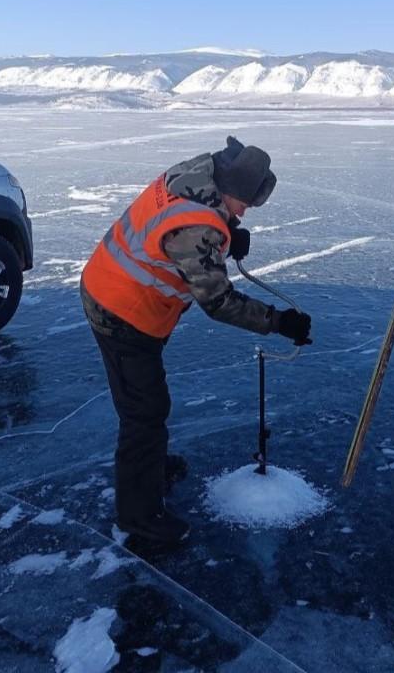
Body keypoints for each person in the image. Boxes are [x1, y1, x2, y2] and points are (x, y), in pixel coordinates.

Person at [80, 137, 313, 545]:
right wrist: (278, 322)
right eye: (243, 206)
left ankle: (150, 469)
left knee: (146, 402)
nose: (243, 213)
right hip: (120, 311)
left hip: (120, 292)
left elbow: (199, 222)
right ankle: (140, 515)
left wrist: (228, 228)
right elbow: (218, 301)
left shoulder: (195, 174)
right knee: (145, 412)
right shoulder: (197, 228)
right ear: (231, 190)